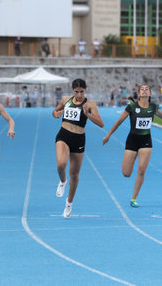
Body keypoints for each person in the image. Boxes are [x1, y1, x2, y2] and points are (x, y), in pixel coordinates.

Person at [102, 84, 162, 208]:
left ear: (149, 94)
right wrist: (108, 135)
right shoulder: (132, 106)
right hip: (132, 140)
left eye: (146, 89)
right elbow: (119, 121)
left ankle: (134, 198)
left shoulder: (153, 107)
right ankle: (131, 161)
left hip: (146, 141)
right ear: (138, 93)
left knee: (142, 170)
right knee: (126, 173)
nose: (144, 91)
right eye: (141, 89)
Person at [52, 78, 104, 218]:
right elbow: (55, 111)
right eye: (76, 92)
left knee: (74, 174)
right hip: (63, 135)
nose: (79, 95)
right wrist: (55, 114)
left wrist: (88, 114)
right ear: (72, 90)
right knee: (61, 164)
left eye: (82, 92)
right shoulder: (65, 100)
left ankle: (69, 203)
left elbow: (101, 123)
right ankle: (62, 181)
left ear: (85, 90)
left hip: (79, 138)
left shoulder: (90, 104)